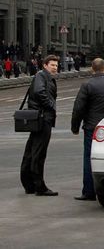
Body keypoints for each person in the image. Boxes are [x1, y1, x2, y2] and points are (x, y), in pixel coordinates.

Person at [71, 58, 104, 200]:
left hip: (91, 128)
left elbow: (78, 108)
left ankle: (89, 191)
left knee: (89, 158)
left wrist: (75, 127)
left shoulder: (87, 85)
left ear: (92, 69)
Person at [20, 55, 60, 196]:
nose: (55, 67)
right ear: (45, 65)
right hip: (42, 119)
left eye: (56, 65)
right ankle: (39, 187)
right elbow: (39, 92)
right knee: (38, 153)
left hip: (40, 118)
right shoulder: (41, 76)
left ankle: (29, 184)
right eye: (52, 65)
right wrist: (51, 106)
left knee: (31, 151)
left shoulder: (45, 77)